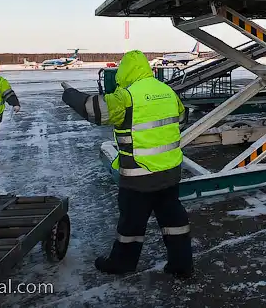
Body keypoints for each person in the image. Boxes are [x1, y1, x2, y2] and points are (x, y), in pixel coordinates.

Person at [60, 50, 193, 279]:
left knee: (131, 225)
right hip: (170, 172)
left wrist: (70, 94)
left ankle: (122, 263)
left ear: (126, 71)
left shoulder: (126, 96)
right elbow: (181, 119)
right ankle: (182, 265)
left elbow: (94, 110)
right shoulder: (167, 91)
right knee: (174, 220)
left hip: (139, 176)